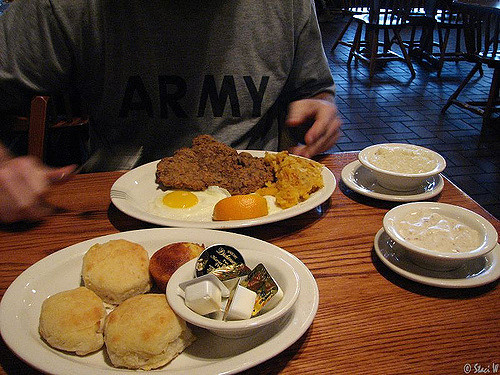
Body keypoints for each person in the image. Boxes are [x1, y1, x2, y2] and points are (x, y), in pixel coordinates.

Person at [0, 0, 341, 223]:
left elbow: (313, 88)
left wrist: (321, 106)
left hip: (263, 212)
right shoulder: (61, 7)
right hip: (120, 212)